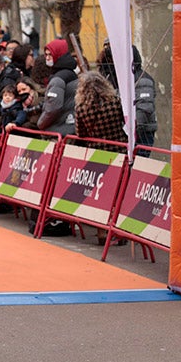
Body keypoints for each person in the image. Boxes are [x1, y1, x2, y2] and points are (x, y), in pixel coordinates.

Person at [74, 71, 128, 244]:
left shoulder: (82, 108)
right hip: (118, 149)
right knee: (118, 193)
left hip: (96, 152)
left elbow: (80, 134)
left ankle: (101, 231)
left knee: (101, 195)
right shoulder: (114, 102)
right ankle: (117, 230)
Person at [37, 40, 79, 136]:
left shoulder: (58, 79)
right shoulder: (70, 73)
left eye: (50, 55)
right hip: (69, 126)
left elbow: (53, 107)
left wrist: (41, 123)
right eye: (46, 55)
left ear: (59, 55)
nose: (47, 58)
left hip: (58, 130)